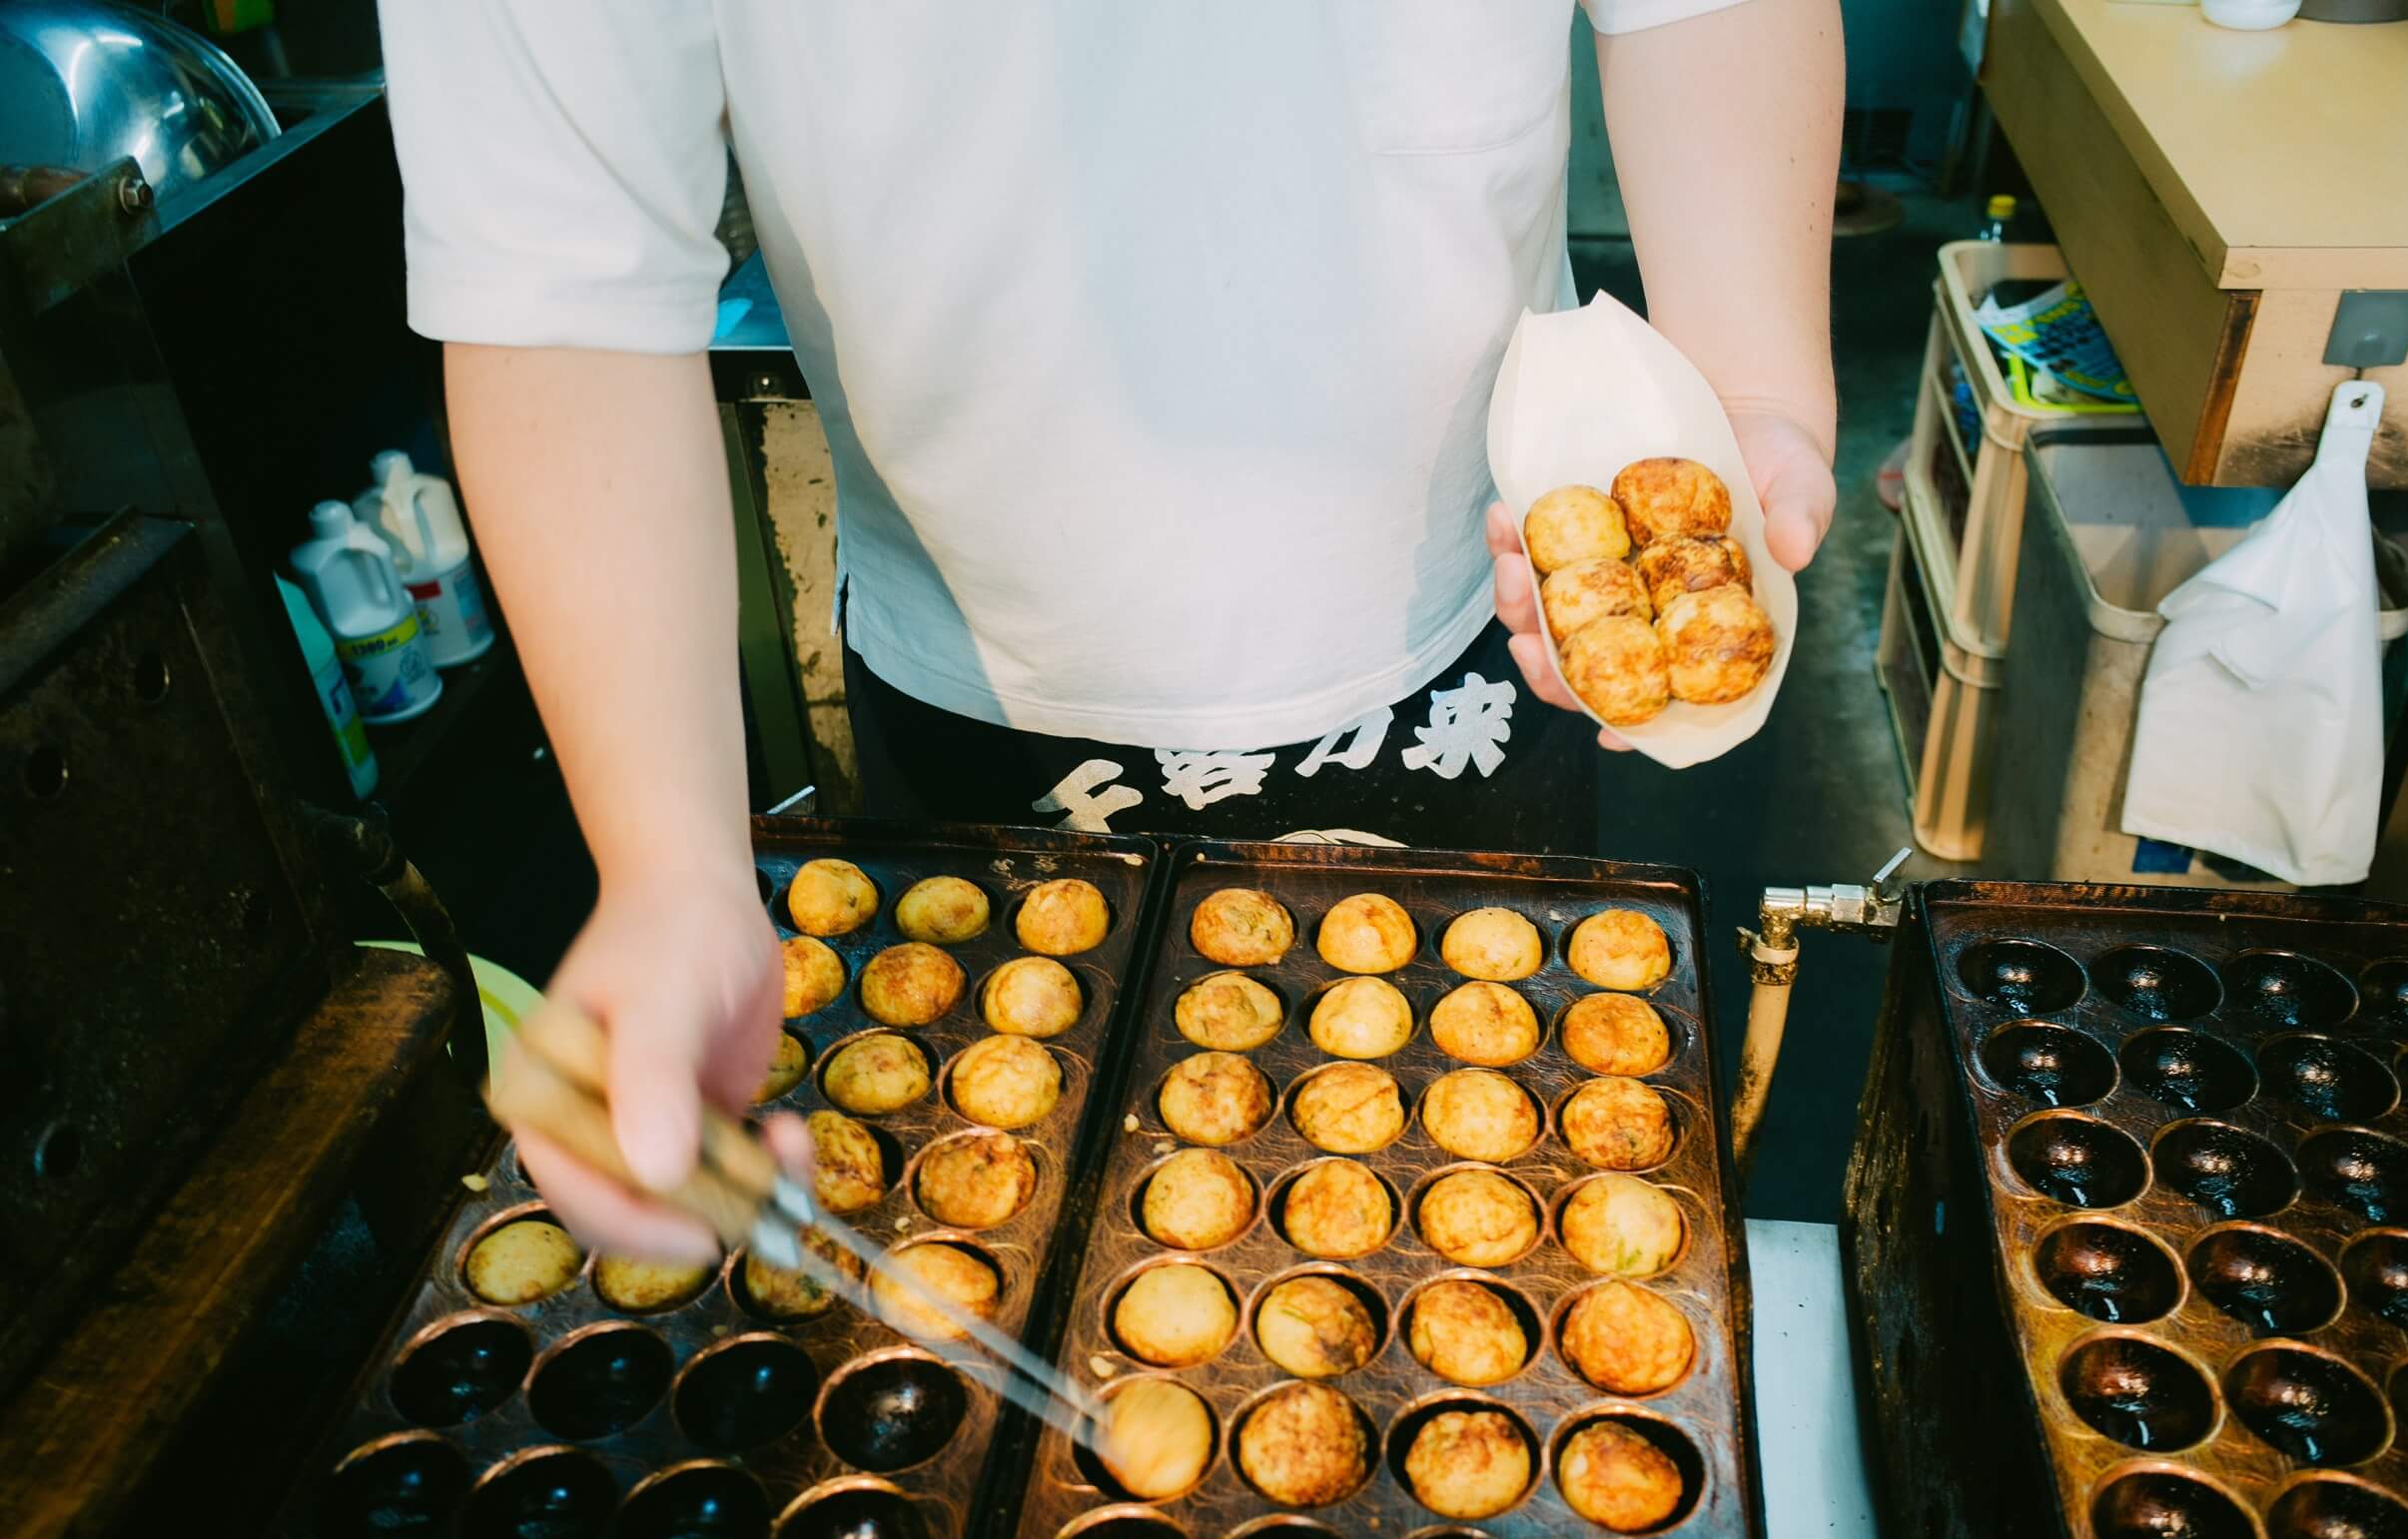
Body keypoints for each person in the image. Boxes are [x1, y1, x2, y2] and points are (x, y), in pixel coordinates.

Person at [378, 1, 1841, 1257]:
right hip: (973, 685)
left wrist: (1750, 386)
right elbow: (554, 268)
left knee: (1501, 1209)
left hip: (1475, 617)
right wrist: (665, 863)